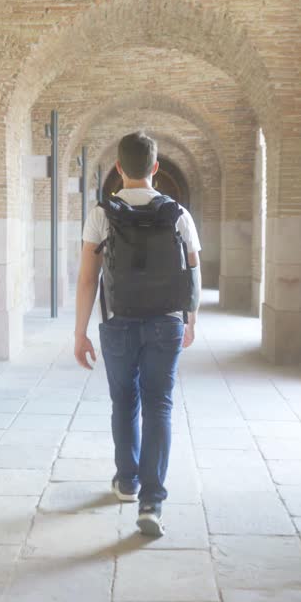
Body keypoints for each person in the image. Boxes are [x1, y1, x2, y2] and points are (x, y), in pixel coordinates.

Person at [73, 131, 201, 538]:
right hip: (166, 321)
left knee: (123, 400)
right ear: (156, 168)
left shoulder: (101, 214)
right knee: (159, 404)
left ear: (118, 168)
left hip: (119, 322)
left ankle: (126, 481)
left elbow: (86, 279)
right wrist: (190, 319)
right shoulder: (178, 213)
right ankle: (152, 502)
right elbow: (194, 269)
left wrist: (80, 333)